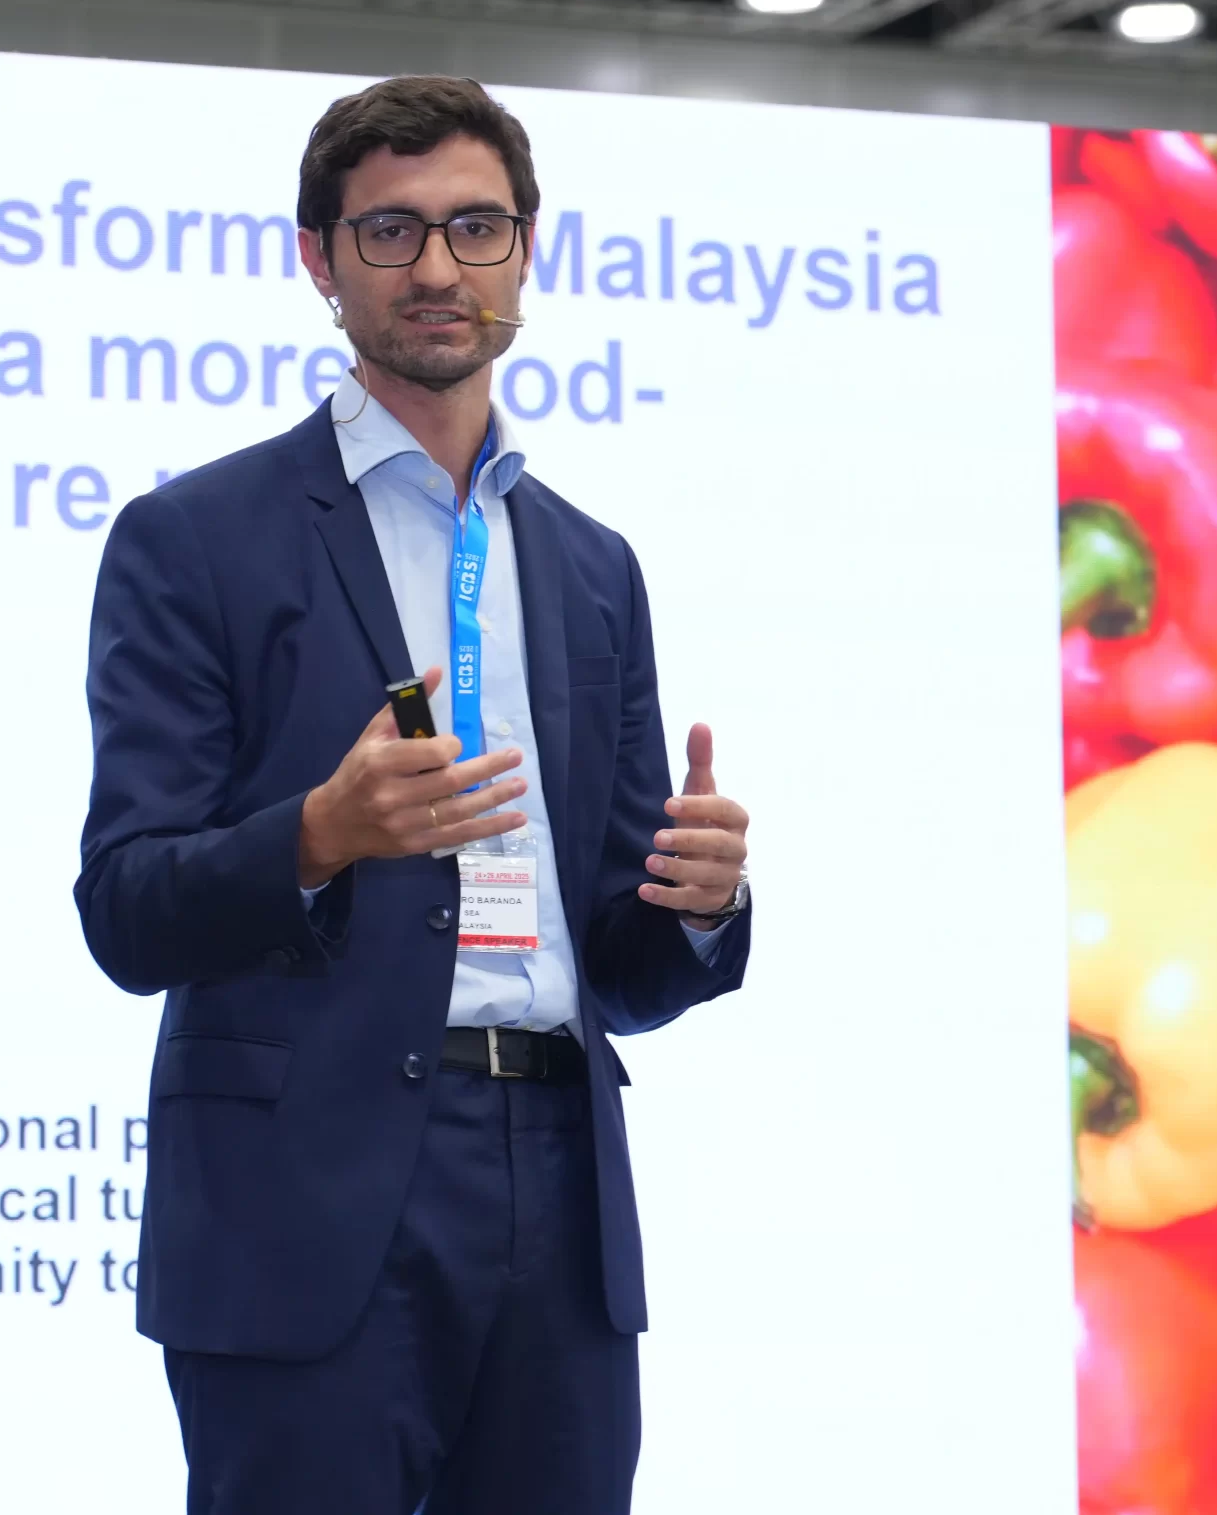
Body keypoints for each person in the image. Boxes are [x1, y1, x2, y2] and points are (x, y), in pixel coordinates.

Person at [73, 74, 754, 1514]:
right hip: (305, 1202)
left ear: (526, 252)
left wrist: (695, 907)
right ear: (319, 261)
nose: (439, 266)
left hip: (558, 1187)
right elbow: (126, 908)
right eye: (390, 231)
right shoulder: (194, 539)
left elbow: (621, 966)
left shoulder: (591, 566)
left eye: (475, 227)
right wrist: (320, 835)